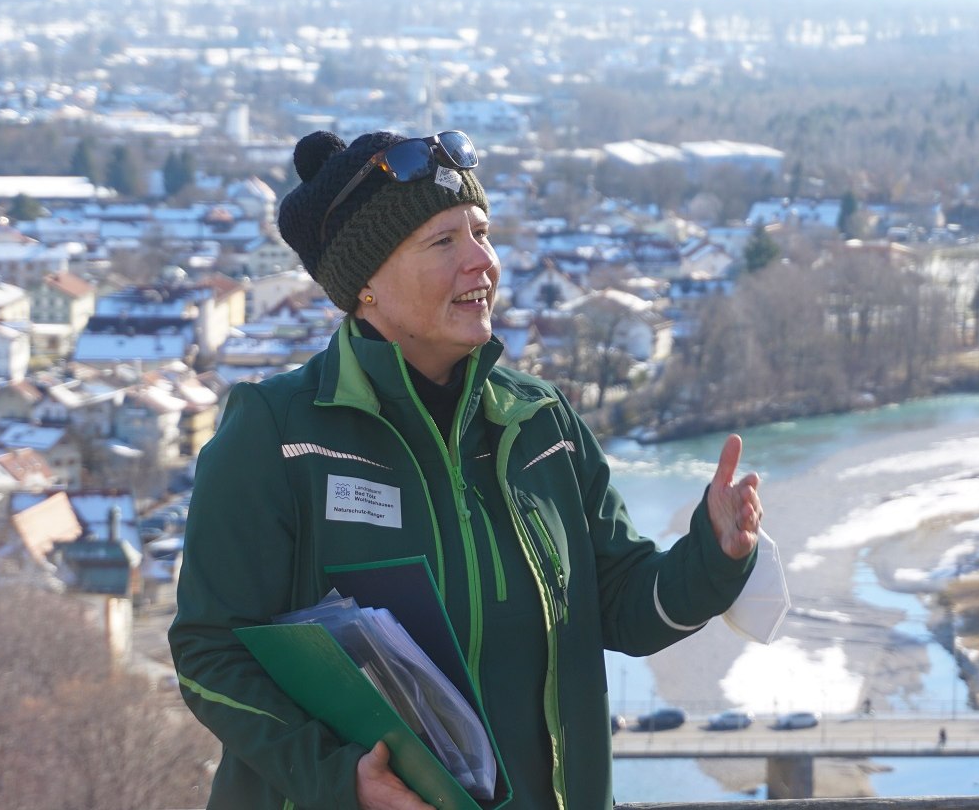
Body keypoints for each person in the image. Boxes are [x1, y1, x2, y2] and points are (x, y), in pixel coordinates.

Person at [170, 130, 764, 810]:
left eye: (482, 233)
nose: (482, 262)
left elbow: (624, 606)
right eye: (443, 242)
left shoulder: (541, 425)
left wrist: (716, 554)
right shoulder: (277, 435)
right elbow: (210, 654)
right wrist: (338, 781)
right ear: (365, 283)